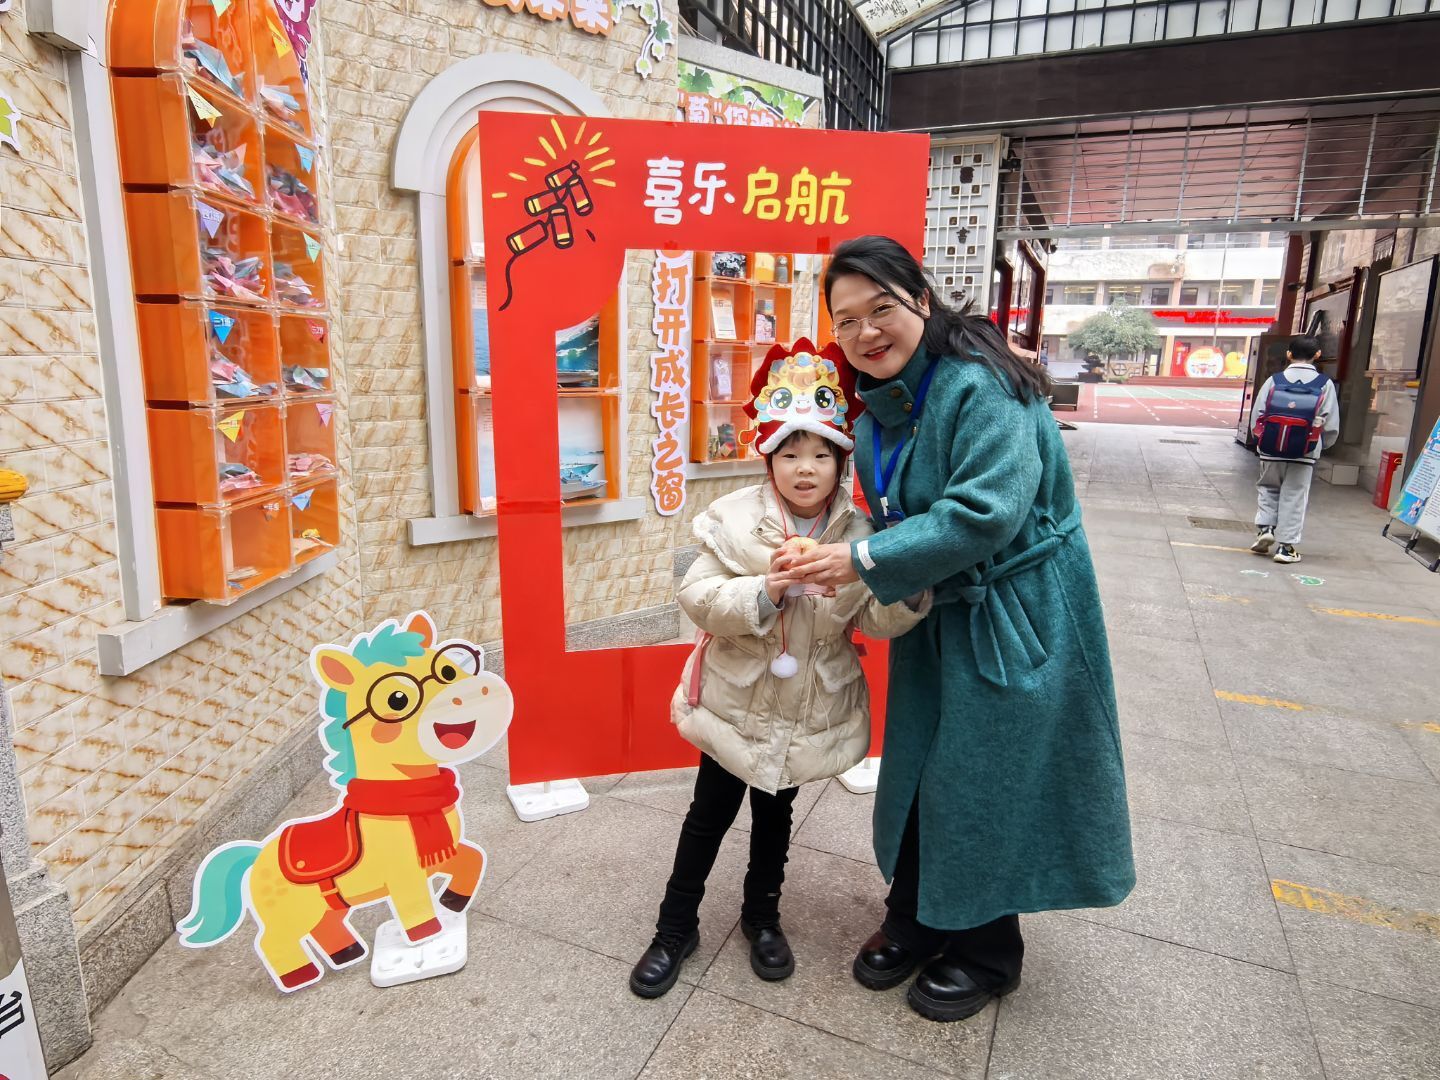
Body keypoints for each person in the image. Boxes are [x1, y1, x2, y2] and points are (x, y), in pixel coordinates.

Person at [781, 236, 1135, 1024]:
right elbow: (888, 508)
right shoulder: (883, 403)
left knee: (985, 782)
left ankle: (986, 950)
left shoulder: (981, 383)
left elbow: (985, 513)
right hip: (935, 609)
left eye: (881, 309)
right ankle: (915, 916)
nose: (866, 332)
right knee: (919, 770)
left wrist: (860, 559)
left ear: (921, 300)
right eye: (847, 321)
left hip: (1014, 613)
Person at [629, 339, 929, 1000]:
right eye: (790, 454)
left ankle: (761, 919)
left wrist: (908, 589)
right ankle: (673, 929)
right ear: (769, 457)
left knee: (775, 819)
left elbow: (873, 619)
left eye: (821, 454)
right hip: (734, 703)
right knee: (706, 818)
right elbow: (698, 597)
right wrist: (766, 590)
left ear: (841, 460)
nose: (805, 468)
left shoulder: (859, 536)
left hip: (807, 706)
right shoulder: (733, 519)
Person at [1249, 335, 1340, 565]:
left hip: (1271, 449)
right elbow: (1330, 424)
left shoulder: (1274, 380)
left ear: (1288, 355)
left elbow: (1258, 415)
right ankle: (1286, 547)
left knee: (1268, 487)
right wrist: (1321, 446)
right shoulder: (1324, 384)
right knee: (1295, 495)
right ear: (1317, 355)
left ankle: (1266, 529)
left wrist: (1261, 440)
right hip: (1305, 452)